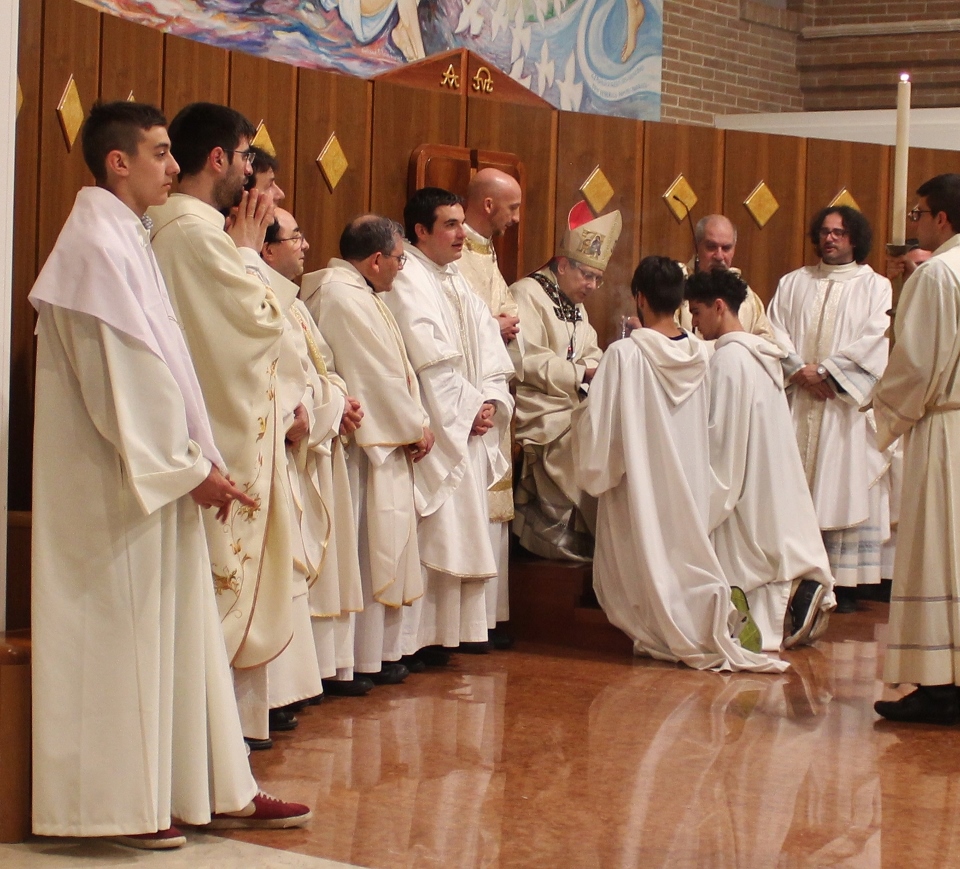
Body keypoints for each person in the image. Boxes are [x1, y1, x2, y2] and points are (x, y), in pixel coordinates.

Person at [30, 101, 309, 850]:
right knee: (123, 643)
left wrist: (197, 461)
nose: (172, 165)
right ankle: (121, 806)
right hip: (118, 491)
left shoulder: (129, 235)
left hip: (155, 479)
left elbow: (168, 366)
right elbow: (123, 384)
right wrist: (190, 468)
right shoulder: (95, 247)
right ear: (118, 161)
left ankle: (208, 788)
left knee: (180, 642)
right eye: (159, 153)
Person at [148, 102, 295, 749]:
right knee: (213, 594)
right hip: (211, 438)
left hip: (205, 430)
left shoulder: (181, 226)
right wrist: (249, 255)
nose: (251, 173)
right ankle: (208, 748)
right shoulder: (195, 232)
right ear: (219, 159)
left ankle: (218, 747)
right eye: (244, 158)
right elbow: (258, 325)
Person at [573, 256, 785, 674]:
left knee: (640, 562)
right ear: (682, 303)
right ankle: (695, 622)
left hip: (639, 484)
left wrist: (589, 447)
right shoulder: (701, 355)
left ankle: (660, 630)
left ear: (640, 298)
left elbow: (601, 430)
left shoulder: (624, 355)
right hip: (687, 482)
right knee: (679, 557)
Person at [301, 215, 433, 683]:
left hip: (373, 439)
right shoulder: (341, 295)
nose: (401, 268)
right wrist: (414, 425)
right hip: (358, 447)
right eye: (399, 259)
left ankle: (371, 656)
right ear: (376, 259)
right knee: (359, 551)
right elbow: (372, 374)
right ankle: (350, 662)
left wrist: (415, 419)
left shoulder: (361, 292)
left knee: (371, 549)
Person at [384, 188, 514, 657]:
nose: (462, 234)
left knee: (460, 529)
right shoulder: (408, 277)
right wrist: (468, 409)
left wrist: (491, 400)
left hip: (467, 422)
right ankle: (418, 640)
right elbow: (430, 360)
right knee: (433, 532)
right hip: (440, 427)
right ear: (421, 231)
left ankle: (449, 634)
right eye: (451, 225)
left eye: (462, 222)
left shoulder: (456, 278)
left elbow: (490, 350)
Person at [685, 269, 836, 651]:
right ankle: (799, 596)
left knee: (735, 548)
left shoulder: (729, 360)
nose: (694, 323)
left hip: (747, 483)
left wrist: (701, 503)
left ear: (720, 307)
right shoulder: (762, 356)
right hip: (773, 477)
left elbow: (722, 442)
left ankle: (791, 603)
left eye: (697, 311)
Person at [260, 207, 365, 723]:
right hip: (285, 448)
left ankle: (305, 678)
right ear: (266, 248)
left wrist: (339, 401)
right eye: (294, 237)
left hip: (315, 442)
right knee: (284, 569)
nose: (305, 245)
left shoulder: (296, 302)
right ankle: (272, 694)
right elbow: (276, 379)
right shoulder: (261, 296)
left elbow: (324, 365)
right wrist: (321, 409)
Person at [768, 206, 893, 613]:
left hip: (842, 409)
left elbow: (875, 338)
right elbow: (773, 331)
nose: (830, 238)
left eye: (839, 232)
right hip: (798, 401)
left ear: (855, 238)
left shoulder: (875, 286)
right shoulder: (793, 283)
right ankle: (792, 577)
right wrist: (800, 371)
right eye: (824, 232)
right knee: (790, 486)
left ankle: (843, 583)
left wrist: (825, 372)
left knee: (839, 486)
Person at [873, 174, 960, 724]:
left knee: (936, 553)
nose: (916, 223)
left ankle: (938, 684)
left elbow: (917, 366)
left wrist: (883, 413)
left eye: (919, 213)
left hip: (944, 430)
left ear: (941, 219)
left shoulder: (938, 275)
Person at [511, 202, 621, 561]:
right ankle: (563, 536)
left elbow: (592, 351)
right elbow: (524, 360)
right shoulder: (526, 294)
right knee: (581, 439)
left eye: (598, 279)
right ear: (562, 265)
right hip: (536, 404)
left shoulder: (575, 304)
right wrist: (579, 373)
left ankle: (596, 537)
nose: (592, 286)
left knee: (606, 432)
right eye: (587, 275)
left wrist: (588, 370)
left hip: (570, 400)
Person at [458, 167, 523, 643]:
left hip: (493, 394)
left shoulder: (486, 251)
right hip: (467, 398)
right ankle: (467, 621)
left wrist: (505, 324)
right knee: (469, 509)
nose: (516, 218)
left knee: (493, 511)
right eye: (512, 207)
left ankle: (489, 617)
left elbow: (503, 308)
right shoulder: (455, 255)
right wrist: (493, 326)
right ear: (487, 204)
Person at [676, 214, 776, 343]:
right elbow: (668, 341)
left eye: (726, 248)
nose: (719, 256)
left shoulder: (747, 295)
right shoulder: (675, 284)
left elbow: (767, 342)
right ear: (696, 246)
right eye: (711, 247)